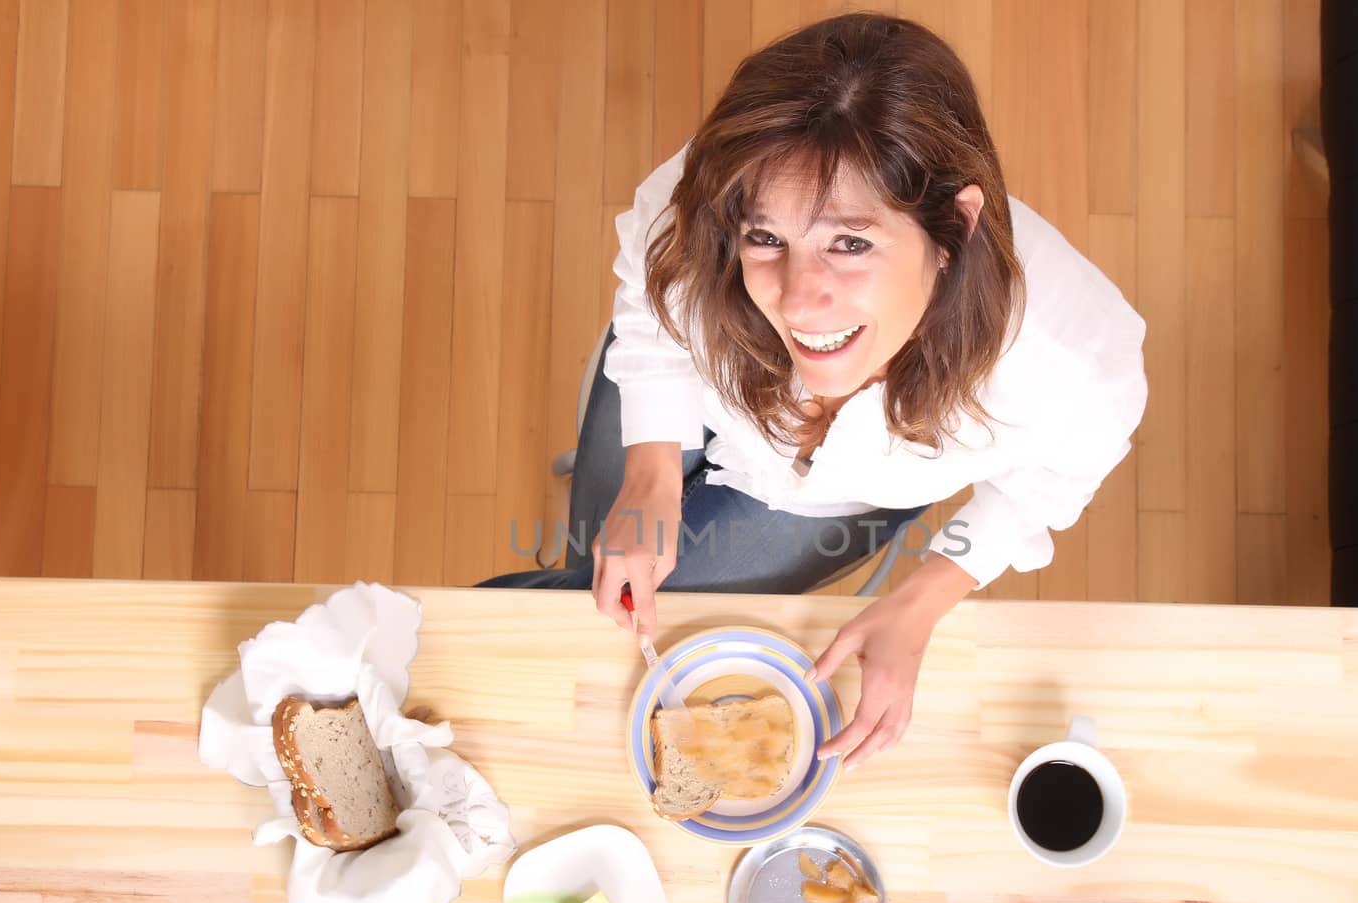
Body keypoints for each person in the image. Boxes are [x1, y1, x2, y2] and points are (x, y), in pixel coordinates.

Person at [478, 13, 1147, 770]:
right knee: (598, 578)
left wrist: (920, 603)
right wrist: (653, 466)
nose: (797, 302)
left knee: (602, 609)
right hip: (676, 390)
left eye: (850, 243)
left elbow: (1051, 479)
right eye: (766, 240)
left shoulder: (1070, 360)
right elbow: (651, 284)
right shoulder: (715, 183)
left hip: (826, 499)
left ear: (954, 228)